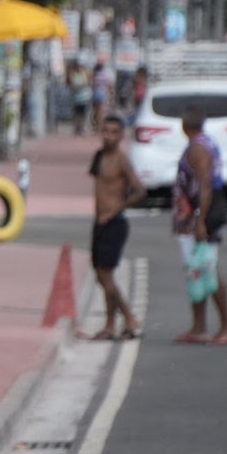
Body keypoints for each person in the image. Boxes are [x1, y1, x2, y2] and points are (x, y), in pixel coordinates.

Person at [171, 105, 227, 345]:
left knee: (208, 269)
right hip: (192, 216)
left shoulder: (198, 148)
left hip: (199, 217)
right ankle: (198, 327)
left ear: (183, 125)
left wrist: (200, 221)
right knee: (196, 270)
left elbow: (205, 185)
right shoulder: (204, 142)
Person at [83, 115, 145, 340]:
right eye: (105, 131)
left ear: (121, 136)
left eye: (113, 132)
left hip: (115, 222)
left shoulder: (122, 160)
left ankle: (129, 317)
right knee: (100, 275)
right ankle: (110, 324)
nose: (108, 136)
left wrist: (117, 208)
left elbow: (140, 190)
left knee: (106, 275)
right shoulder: (99, 157)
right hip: (98, 222)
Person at [91, 56, 114, 131]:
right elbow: (109, 85)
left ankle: (97, 126)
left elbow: (92, 84)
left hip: (96, 93)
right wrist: (110, 93)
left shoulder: (95, 73)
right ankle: (99, 127)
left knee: (96, 111)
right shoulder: (105, 74)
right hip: (102, 93)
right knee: (100, 112)